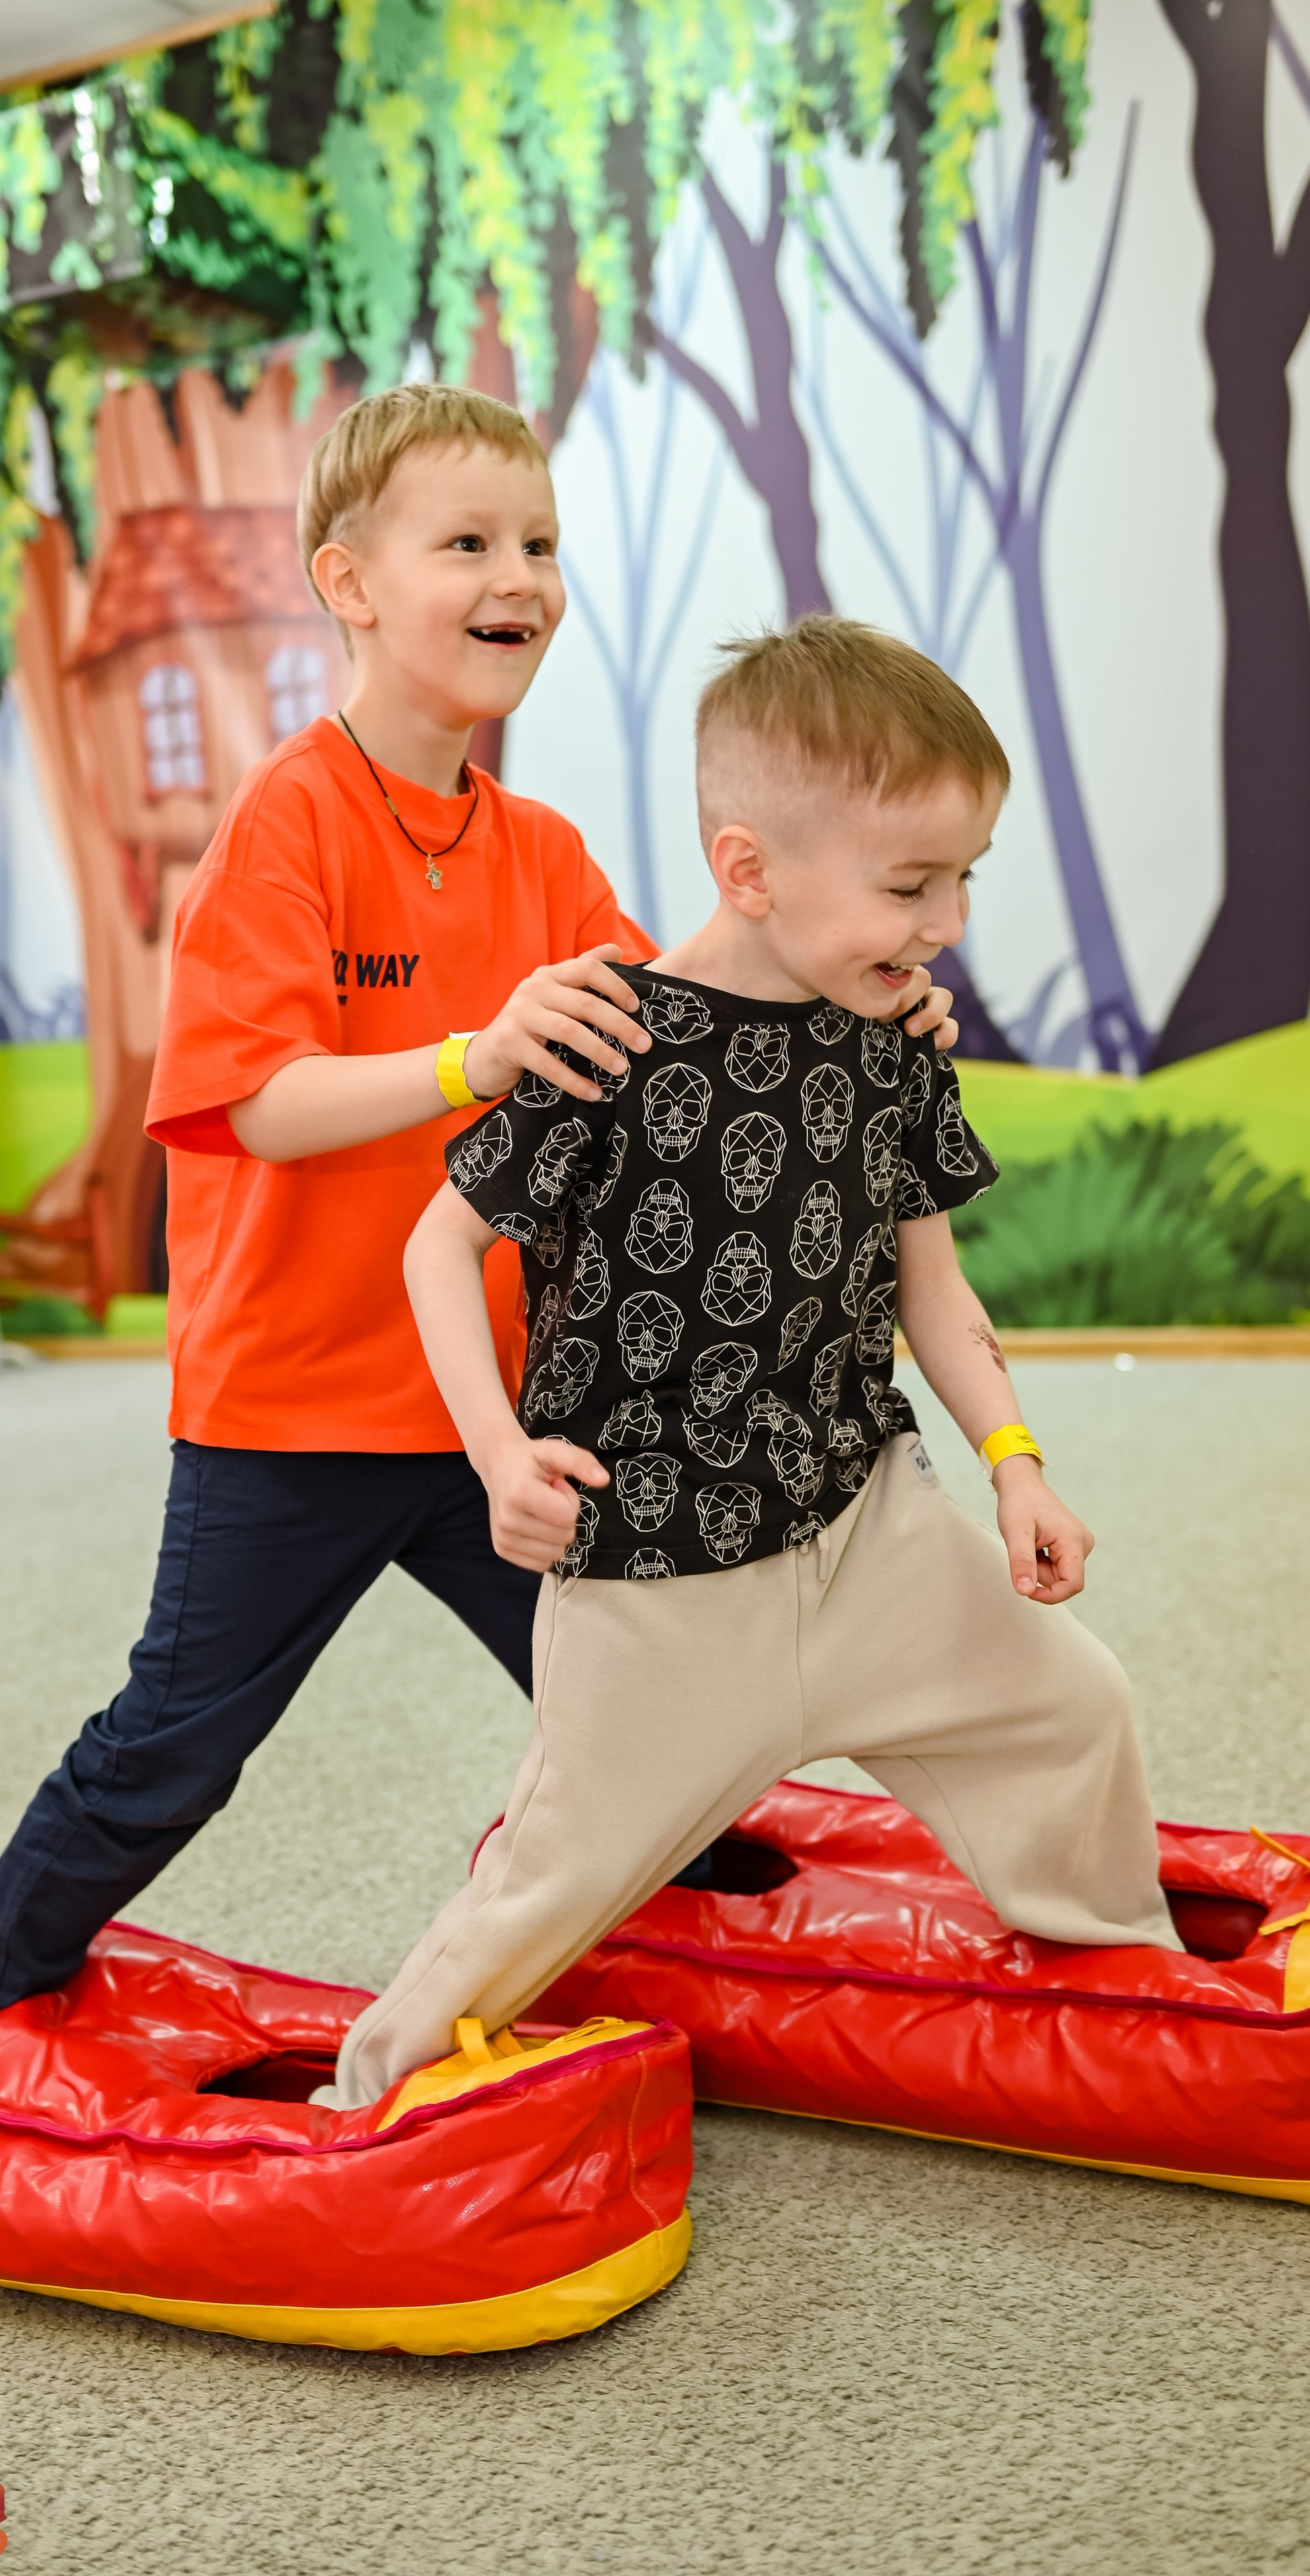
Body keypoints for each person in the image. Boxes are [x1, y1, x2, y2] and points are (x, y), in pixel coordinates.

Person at [0, 392, 957, 2019]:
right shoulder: (285, 819)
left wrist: (867, 988)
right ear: (346, 583)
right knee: (176, 1744)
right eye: (468, 542)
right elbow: (254, 1100)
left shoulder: (539, 850)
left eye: (538, 542)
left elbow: (690, 1025)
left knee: (647, 1689)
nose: (518, 576)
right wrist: (472, 1056)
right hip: (291, 1414)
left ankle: (714, 1931)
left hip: (502, 1413)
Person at [330, 615, 1181, 2107]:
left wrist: (1015, 1464)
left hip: (867, 1526)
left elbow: (932, 1287)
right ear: (748, 869)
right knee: (553, 1874)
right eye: (909, 886)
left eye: (965, 877)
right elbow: (436, 1247)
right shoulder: (607, 1037)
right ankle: (375, 2094)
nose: (946, 922)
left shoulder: (892, 1040)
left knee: (1074, 1708)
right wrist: (496, 1452)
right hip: (657, 1571)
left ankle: (1127, 1983)